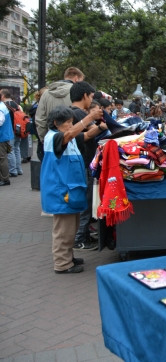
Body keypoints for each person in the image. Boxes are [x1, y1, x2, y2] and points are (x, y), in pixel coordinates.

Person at [41, 105, 104, 273]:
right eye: (68, 122)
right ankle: (62, 264)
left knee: (71, 227)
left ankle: (68, 256)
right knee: (63, 230)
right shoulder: (53, 137)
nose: (70, 125)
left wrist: (101, 127)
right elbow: (69, 134)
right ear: (56, 123)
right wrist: (89, 118)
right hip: (61, 191)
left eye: (71, 122)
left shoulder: (69, 138)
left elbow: (88, 134)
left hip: (70, 189)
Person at [69, 82, 108, 251]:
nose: (92, 99)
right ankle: (80, 238)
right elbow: (83, 136)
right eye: (91, 96)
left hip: (82, 161)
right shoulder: (78, 113)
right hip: (84, 161)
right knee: (86, 201)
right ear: (85, 95)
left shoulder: (74, 112)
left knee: (85, 200)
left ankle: (82, 235)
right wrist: (100, 126)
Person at [35, 67, 85, 159]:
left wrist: (45, 140)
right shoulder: (78, 93)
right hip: (73, 144)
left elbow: (40, 120)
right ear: (76, 78)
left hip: (50, 143)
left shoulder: (46, 94)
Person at [0, 90, 23, 177]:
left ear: (3, 95)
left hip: (9, 133)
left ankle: (13, 170)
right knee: (16, 149)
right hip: (18, 131)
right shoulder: (17, 105)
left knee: (10, 151)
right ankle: (18, 169)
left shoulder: (5, 105)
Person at [0, 92, 13, 186]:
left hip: (2, 136)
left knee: (2, 158)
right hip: (4, 135)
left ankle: (5, 179)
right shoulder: (2, 106)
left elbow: (0, 122)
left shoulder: (0, 108)